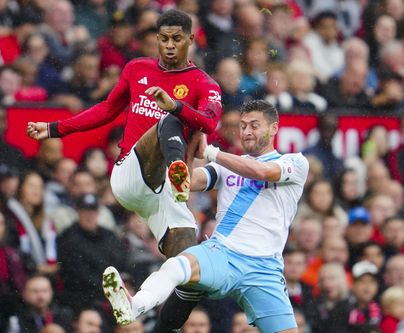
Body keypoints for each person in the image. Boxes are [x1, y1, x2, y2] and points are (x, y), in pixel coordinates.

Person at [27, 9, 222, 331]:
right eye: (163, 39)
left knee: (188, 269)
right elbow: (107, 109)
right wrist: (55, 128)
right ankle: (178, 170)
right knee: (168, 121)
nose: (169, 46)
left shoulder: (203, 83)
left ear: (190, 40)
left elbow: (211, 121)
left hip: (162, 196)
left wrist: (176, 106)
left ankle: (136, 307)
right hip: (131, 174)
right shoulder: (137, 69)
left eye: (176, 39)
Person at [103, 100, 308, 332]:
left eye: (254, 125)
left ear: (274, 128)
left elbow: (262, 172)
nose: (247, 132)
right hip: (224, 253)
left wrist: (211, 152)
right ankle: (134, 306)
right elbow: (185, 181)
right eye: (242, 126)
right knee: (176, 266)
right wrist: (191, 143)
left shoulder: (294, 162)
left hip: (265, 270)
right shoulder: (225, 167)